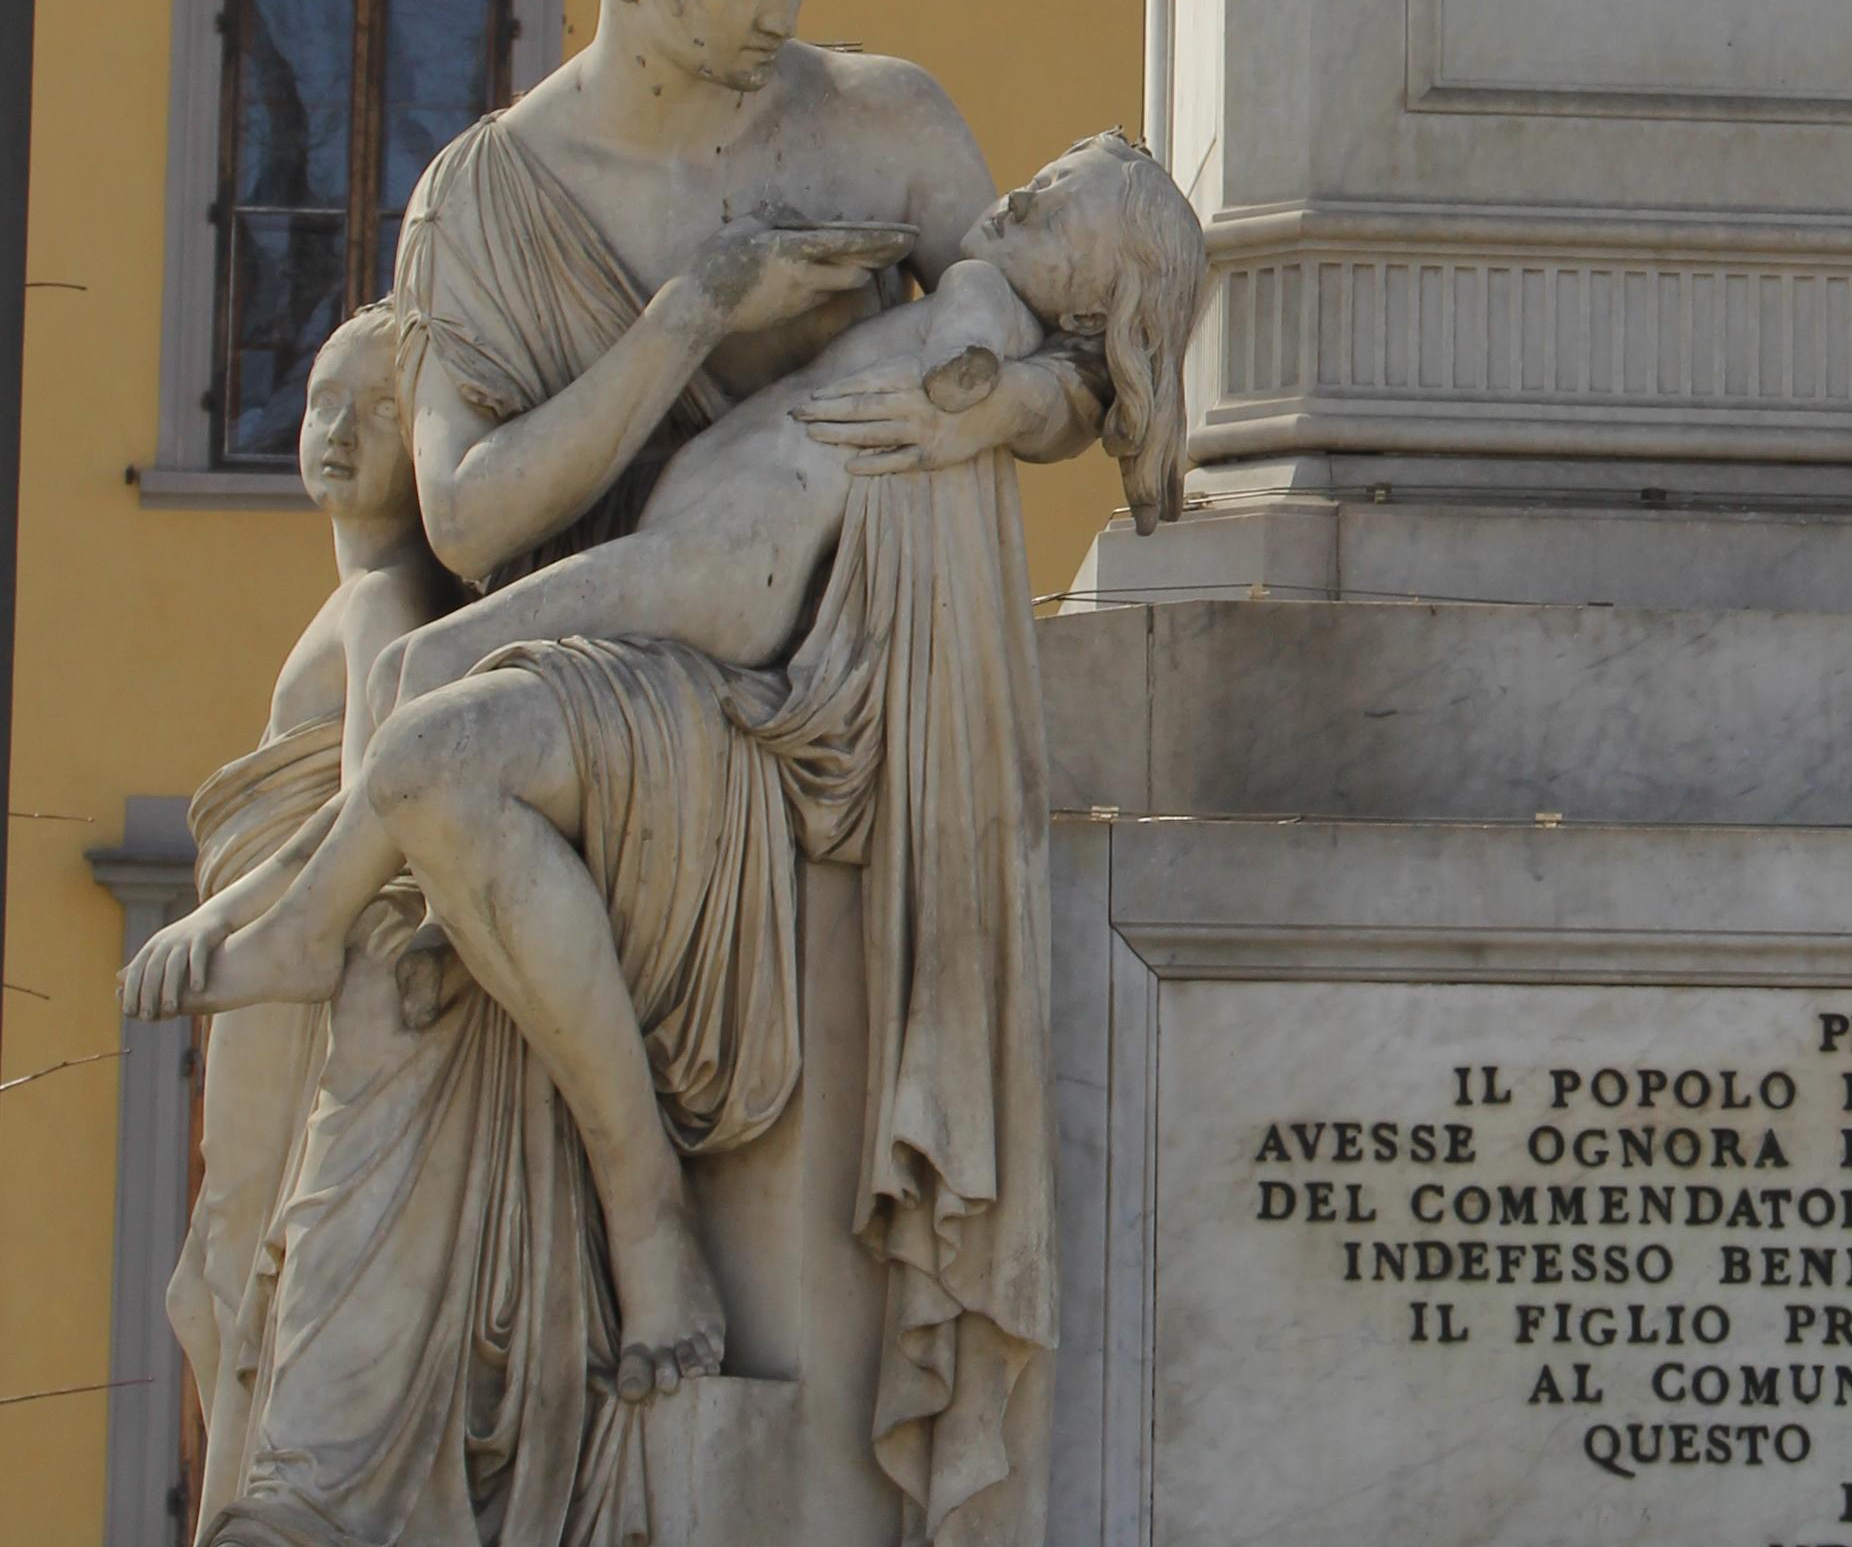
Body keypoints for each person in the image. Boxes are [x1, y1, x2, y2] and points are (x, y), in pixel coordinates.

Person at [109, 0, 1096, 1547]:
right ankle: (352, 1497)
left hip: (806, 701)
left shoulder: (885, 120)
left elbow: (1071, 347)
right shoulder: (492, 190)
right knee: (412, 915)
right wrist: (690, 312)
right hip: (582, 651)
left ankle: (546, 1163)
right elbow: (475, 518)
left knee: (427, 782)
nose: (780, 11)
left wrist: (994, 407)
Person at [132, 132, 1203, 1036]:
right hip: (711, 553)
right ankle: (374, 915)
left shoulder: (981, 300)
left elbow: (986, 372)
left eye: (1059, 213)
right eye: (1045, 175)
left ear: (1090, 302)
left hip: (725, 564)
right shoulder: (998, 299)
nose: (1021, 197)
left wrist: (981, 392)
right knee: (418, 667)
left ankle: (306, 924)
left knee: (432, 660)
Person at [158, 304, 453, 1529]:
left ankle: (244, 1514)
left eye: (379, 411)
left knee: (241, 1247)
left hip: (294, 967)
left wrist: (221, 916)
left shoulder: (387, 598)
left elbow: (366, 800)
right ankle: (231, 1511)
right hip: (270, 957)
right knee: (221, 1257)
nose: (338, 429)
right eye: (324, 399)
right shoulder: (352, 599)